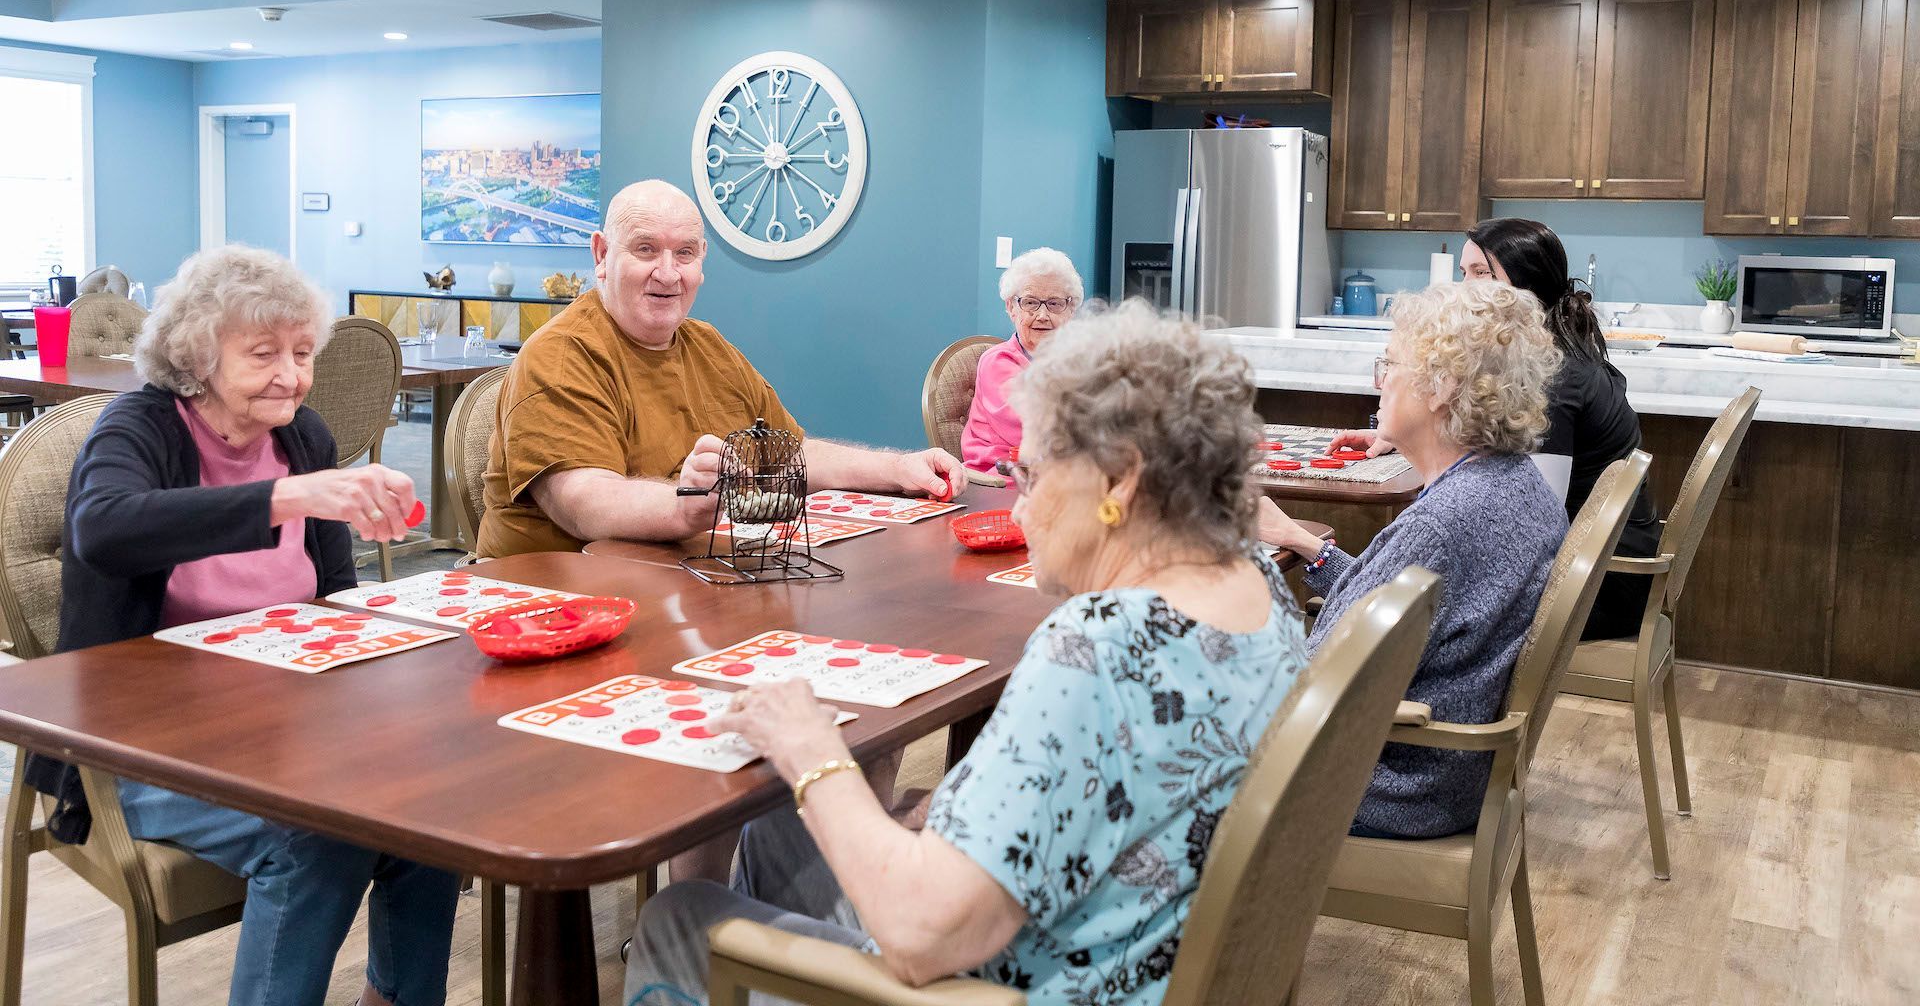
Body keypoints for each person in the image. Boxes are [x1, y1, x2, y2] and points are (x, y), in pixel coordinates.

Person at [624, 301, 1309, 1006]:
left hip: (1010, 982)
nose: (1017, 508)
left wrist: (810, 750)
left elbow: (923, 937)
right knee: (793, 817)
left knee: (680, 918)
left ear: (1120, 481)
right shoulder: (1257, 586)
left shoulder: (1096, 650)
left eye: (1033, 477)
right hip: (1133, 943)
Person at [25, 245, 458, 1006]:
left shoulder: (303, 438)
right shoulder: (140, 426)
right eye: (263, 354)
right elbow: (105, 528)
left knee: (431, 812)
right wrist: (288, 500)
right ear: (198, 355)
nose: (290, 376)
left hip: (279, 735)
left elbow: (337, 601)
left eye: (301, 353)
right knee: (319, 838)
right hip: (132, 747)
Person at [477, 180, 964, 558]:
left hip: (678, 580)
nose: (668, 273)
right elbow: (582, 501)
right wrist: (684, 504)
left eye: (684, 252)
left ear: (702, 262)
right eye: (646, 249)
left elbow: (790, 454)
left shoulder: (706, 344)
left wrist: (900, 469)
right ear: (602, 255)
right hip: (555, 597)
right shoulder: (562, 354)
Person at [1260, 281, 1567, 840]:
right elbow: (1395, 606)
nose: (1378, 380)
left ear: (1442, 387)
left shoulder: (1441, 524)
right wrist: (1305, 544)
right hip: (1449, 774)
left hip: (1390, 779)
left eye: (1390, 363)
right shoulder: (1514, 483)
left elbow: (1316, 680)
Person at [1326, 219, 1661, 640]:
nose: (1465, 287)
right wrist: (1407, 436)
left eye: (1480, 273)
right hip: (1588, 567)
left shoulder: (1553, 381)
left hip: (1596, 589)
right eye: (1463, 273)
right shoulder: (1549, 358)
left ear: (1526, 283)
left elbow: (1522, 521)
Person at [960, 246, 1082, 471]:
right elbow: (1033, 432)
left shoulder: (1079, 361)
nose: (1042, 315)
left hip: (1058, 475)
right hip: (1000, 480)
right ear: (1011, 307)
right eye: (1030, 303)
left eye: (1054, 304)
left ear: (1071, 310)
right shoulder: (997, 363)